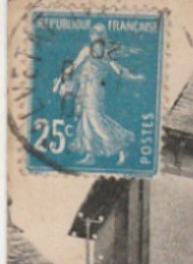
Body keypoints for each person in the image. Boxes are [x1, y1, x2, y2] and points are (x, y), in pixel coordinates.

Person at [53, 24, 144, 165]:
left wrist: (133, 77)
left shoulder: (105, 53)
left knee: (95, 120)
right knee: (86, 120)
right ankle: (90, 155)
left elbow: (118, 70)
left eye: (99, 33)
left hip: (96, 91)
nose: (95, 36)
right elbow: (74, 65)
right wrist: (61, 78)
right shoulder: (86, 50)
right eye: (93, 33)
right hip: (85, 89)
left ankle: (121, 146)